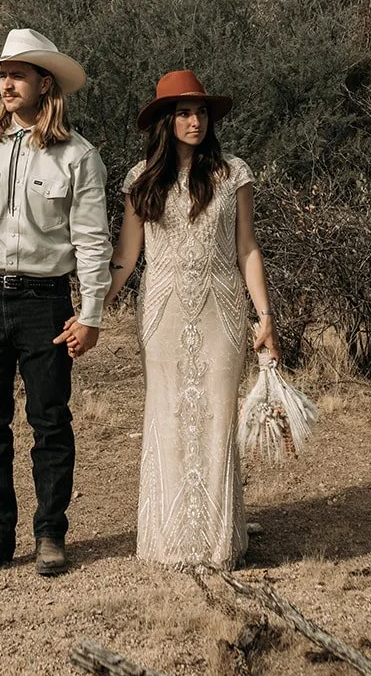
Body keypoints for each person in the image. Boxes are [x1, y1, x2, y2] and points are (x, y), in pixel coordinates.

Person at [0, 29, 112, 578]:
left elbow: (92, 242)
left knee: (50, 421)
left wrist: (89, 316)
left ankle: (50, 534)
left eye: (17, 73)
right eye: (2, 73)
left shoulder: (79, 156)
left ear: (45, 82)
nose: (7, 82)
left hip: (46, 302)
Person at [104, 69, 279, 570]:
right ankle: (171, 538)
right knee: (169, 413)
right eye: (183, 112)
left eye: (201, 111)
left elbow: (247, 247)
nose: (195, 120)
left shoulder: (232, 174)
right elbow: (126, 255)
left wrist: (264, 316)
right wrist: (93, 308)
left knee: (216, 416)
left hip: (222, 309)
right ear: (165, 120)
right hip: (162, 310)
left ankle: (217, 539)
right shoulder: (142, 179)